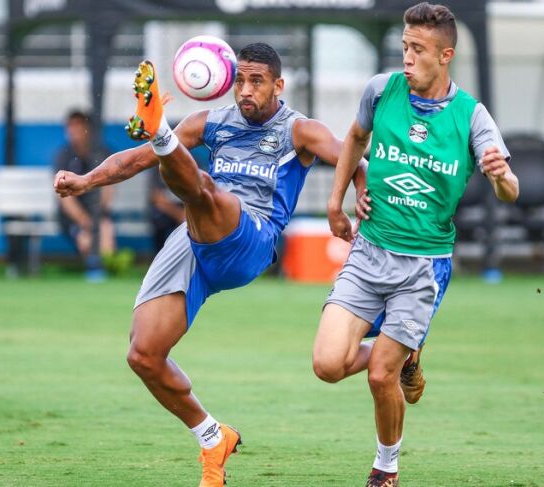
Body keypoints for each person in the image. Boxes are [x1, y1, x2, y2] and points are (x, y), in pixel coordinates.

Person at [55, 43, 366, 487]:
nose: (245, 90)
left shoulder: (299, 129)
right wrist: (85, 180)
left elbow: (356, 159)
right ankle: (212, 436)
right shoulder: (211, 122)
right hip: (197, 235)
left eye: (256, 81)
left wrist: (341, 207)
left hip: (250, 237)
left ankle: (159, 131)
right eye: (239, 80)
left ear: (279, 85)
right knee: (143, 354)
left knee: (201, 187)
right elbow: (132, 161)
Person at [312, 4, 519, 486]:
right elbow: (355, 138)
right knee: (326, 365)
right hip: (369, 251)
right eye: (405, 46)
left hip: (422, 267)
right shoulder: (381, 90)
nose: (407, 57)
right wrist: (335, 201)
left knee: (380, 375)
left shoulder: (472, 116)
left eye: (418, 50)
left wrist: (501, 174)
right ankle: (409, 351)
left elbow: (509, 190)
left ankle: (386, 468)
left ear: (445, 55)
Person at [54, 110, 115, 279]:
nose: (74, 131)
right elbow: (64, 199)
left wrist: (99, 216)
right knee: (85, 239)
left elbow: (109, 188)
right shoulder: (63, 156)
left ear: (88, 128)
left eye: (78, 126)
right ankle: (93, 269)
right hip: (74, 218)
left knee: (106, 237)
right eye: (70, 127)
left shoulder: (101, 152)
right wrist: (86, 221)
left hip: (98, 213)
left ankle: (105, 272)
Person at [147, 165, 185, 252]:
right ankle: (159, 253)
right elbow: (156, 197)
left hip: (186, 208)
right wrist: (179, 214)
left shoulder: (192, 162)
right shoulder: (157, 167)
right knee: (159, 214)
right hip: (167, 210)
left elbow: (197, 194)